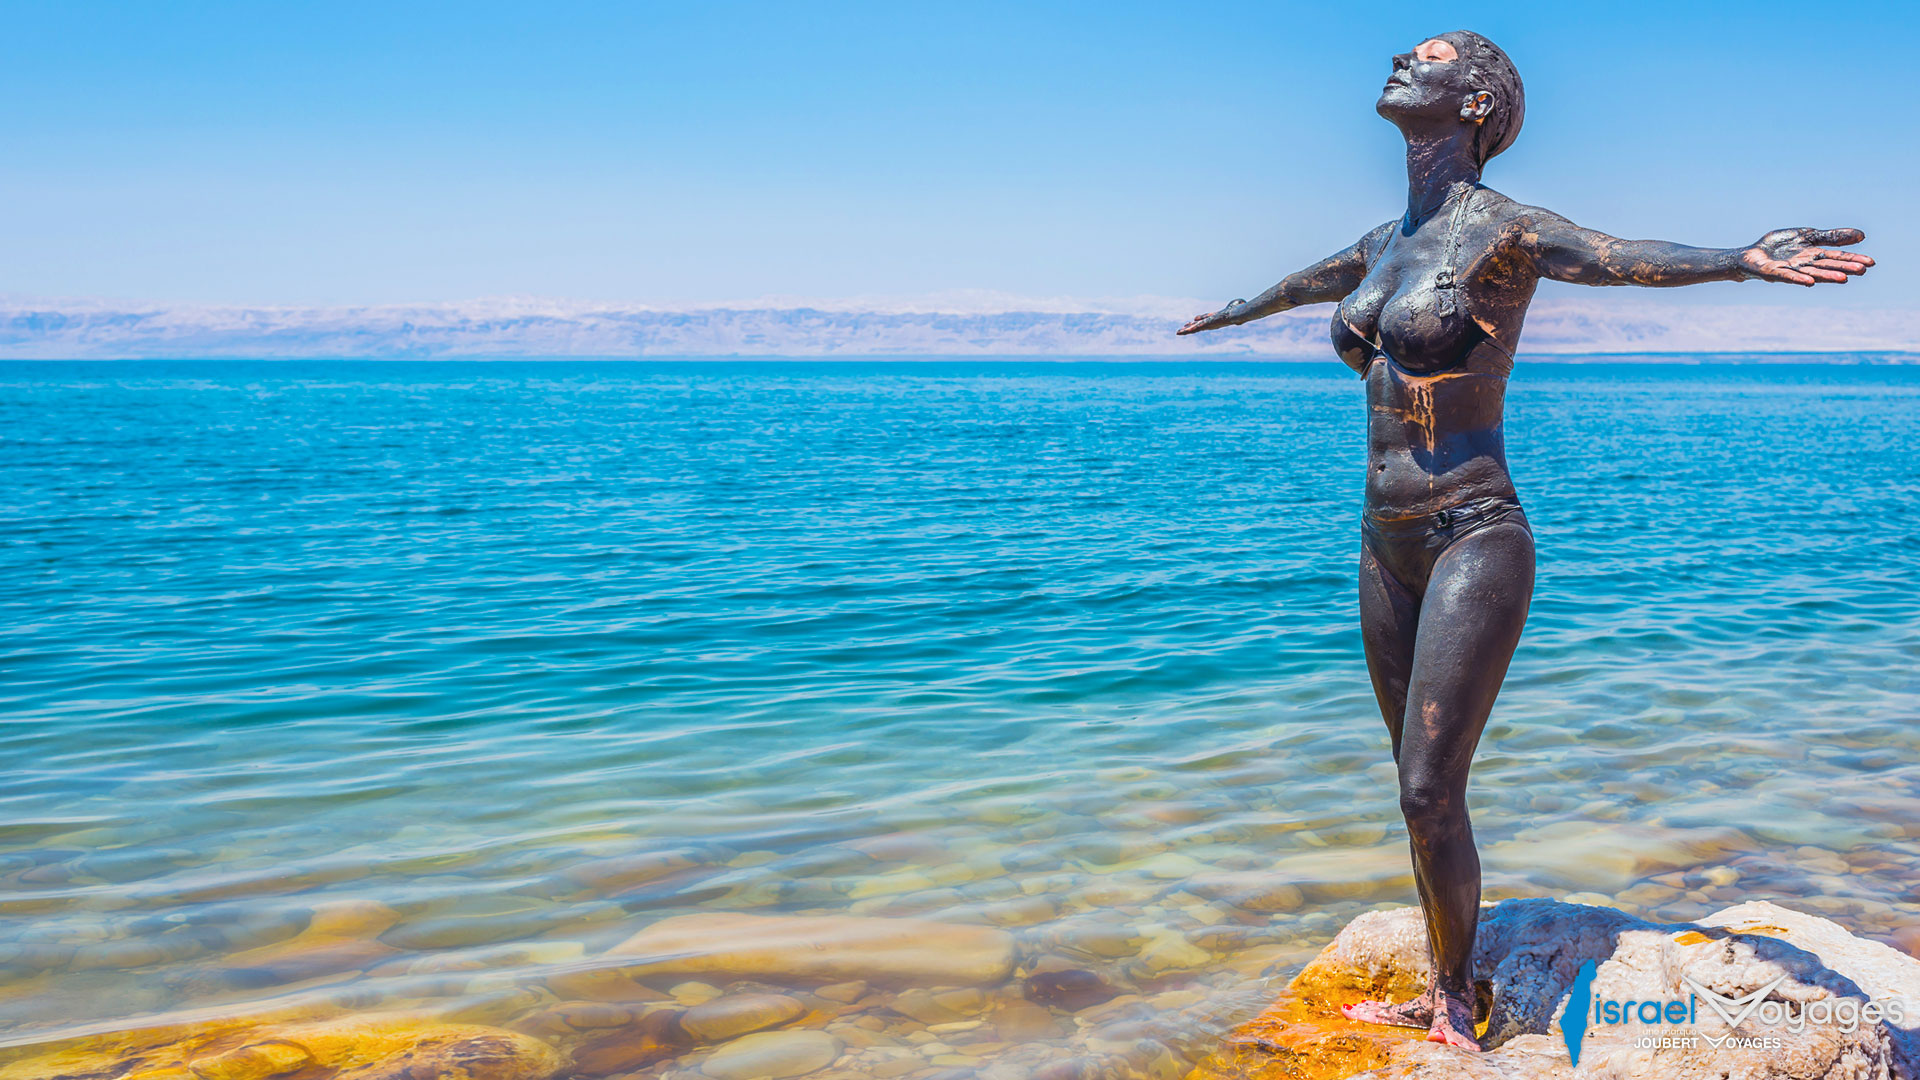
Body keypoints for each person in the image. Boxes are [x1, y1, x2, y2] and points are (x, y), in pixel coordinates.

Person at [1175, 30, 1873, 1051]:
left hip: (1474, 532)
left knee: (1427, 782)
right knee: (1418, 795)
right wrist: (1232, 313)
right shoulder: (1384, 242)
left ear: (1475, 103)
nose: (1400, 63)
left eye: (1431, 58)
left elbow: (1619, 259)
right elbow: (1307, 283)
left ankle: (1457, 1008)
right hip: (1383, 541)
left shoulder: (1504, 231)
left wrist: (1742, 259)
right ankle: (1443, 979)